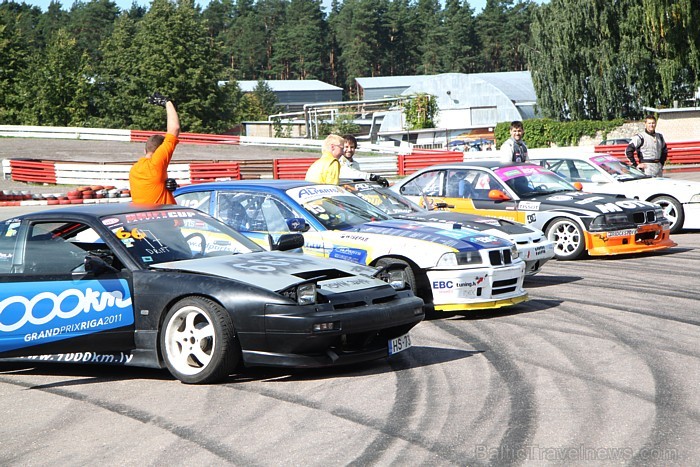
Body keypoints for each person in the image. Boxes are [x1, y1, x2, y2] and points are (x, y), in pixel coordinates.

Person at [129, 92, 181, 204]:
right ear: (160, 151)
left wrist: (166, 183)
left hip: (141, 218)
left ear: (145, 150)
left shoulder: (134, 169)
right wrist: (167, 102)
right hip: (163, 219)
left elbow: (153, 188)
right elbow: (174, 129)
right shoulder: (156, 164)